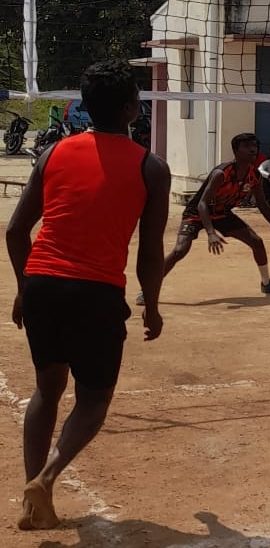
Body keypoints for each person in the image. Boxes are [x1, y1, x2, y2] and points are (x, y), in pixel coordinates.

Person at [5, 61, 170, 532]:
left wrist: (23, 289)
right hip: (96, 291)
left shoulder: (52, 153)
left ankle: (32, 497)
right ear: (130, 109)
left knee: (46, 389)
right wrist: (152, 306)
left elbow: (17, 232)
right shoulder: (150, 167)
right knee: (94, 399)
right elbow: (150, 252)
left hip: (41, 285)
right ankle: (47, 478)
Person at [149, 133, 270, 303]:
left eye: (254, 145)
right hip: (196, 213)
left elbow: (262, 204)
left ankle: (267, 283)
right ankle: (149, 289)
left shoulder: (254, 175)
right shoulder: (222, 173)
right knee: (180, 250)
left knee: (256, 241)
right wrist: (210, 232)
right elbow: (202, 204)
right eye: (247, 146)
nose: (253, 149)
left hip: (222, 214)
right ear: (235, 150)